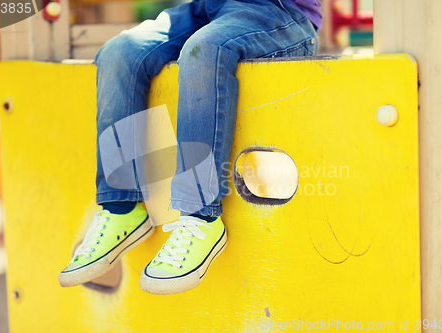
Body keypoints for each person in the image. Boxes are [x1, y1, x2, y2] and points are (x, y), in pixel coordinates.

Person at [58, 0, 322, 295]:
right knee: (118, 53)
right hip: (208, 8)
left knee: (204, 50)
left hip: (277, 11)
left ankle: (200, 219)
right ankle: (121, 208)